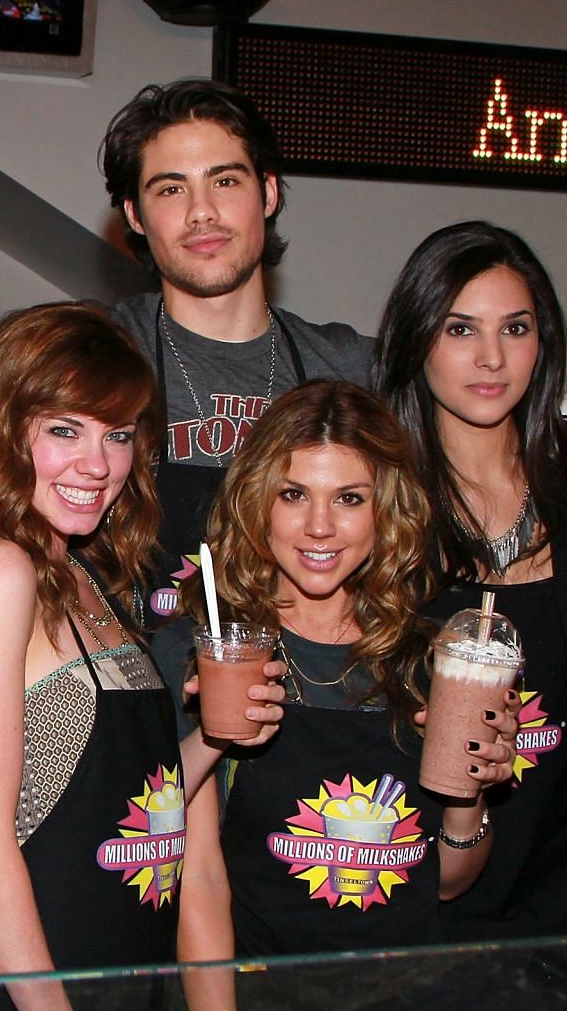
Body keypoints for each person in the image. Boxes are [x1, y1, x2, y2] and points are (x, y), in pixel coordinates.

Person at [0, 303, 283, 1011]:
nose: (98, 463)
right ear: (5, 427)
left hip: (122, 996)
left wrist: (212, 742)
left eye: (117, 434)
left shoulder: (83, 570)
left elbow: (121, 803)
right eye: (65, 429)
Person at [153, 381, 518, 1011]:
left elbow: (442, 882)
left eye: (349, 498)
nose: (319, 526)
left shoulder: (433, 656)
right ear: (256, 501)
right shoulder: (210, 654)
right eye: (294, 494)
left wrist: (469, 790)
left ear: (387, 510)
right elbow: (196, 879)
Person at [375, 221, 567, 938]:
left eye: (515, 327)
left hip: (562, 888)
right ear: (415, 338)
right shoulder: (373, 493)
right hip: (417, 883)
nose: (491, 357)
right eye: (460, 329)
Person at [98, 79, 376, 618]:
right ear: (135, 214)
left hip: (303, 687)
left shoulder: (351, 367)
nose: (202, 212)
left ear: (268, 194)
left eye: (224, 181)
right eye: (171, 189)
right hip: (139, 687)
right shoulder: (94, 351)